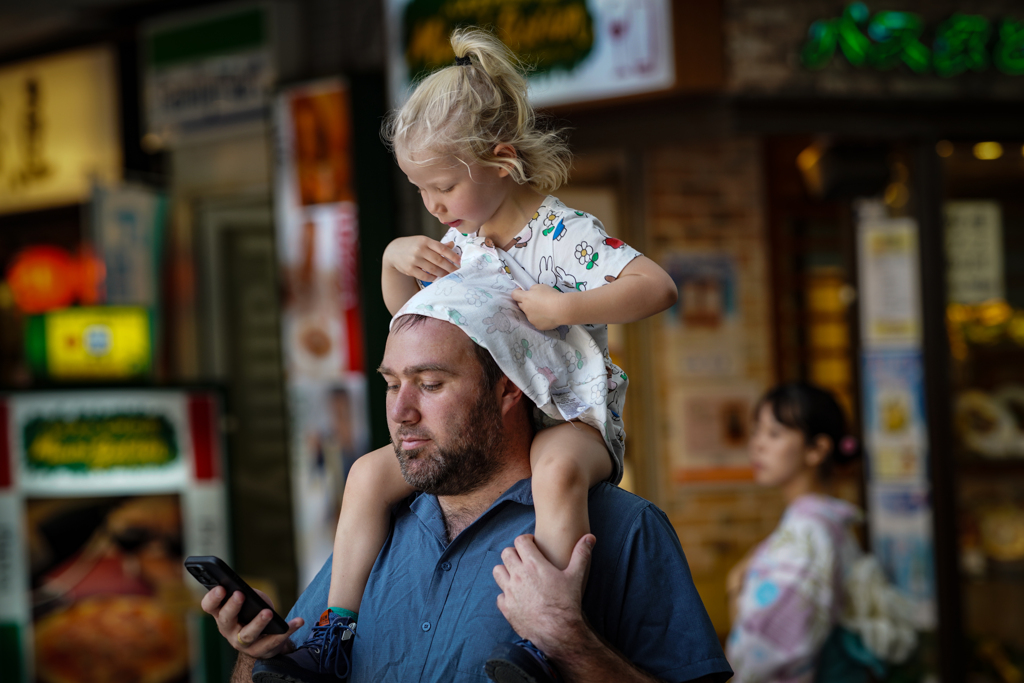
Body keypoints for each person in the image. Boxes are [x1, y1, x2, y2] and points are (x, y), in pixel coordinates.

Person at [253, 26, 678, 683]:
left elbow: (656, 286)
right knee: (367, 475)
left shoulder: (562, 235)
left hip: (568, 415)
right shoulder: (466, 236)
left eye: (443, 186)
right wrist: (395, 257)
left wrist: (565, 307)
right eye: (421, 192)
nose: (434, 205)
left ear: (502, 161)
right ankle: (334, 629)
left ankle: (540, 642)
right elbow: (410, 317)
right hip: (488, 426)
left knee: (557, 471)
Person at [203, 314, 732, 683]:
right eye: (392, 385)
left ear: (509, 389)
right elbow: (295, 669)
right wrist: (256, 658)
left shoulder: (624, 528)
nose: (401, 412)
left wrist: (569, 641)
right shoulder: (375, 525)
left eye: (430, 384)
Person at [725, 383, 913, 683]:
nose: (758, 444)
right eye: (757, 430)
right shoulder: (827, 523)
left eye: (774, 434)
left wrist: (735, 588)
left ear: (817, 449)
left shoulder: (806, 534)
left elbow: (764, 653)